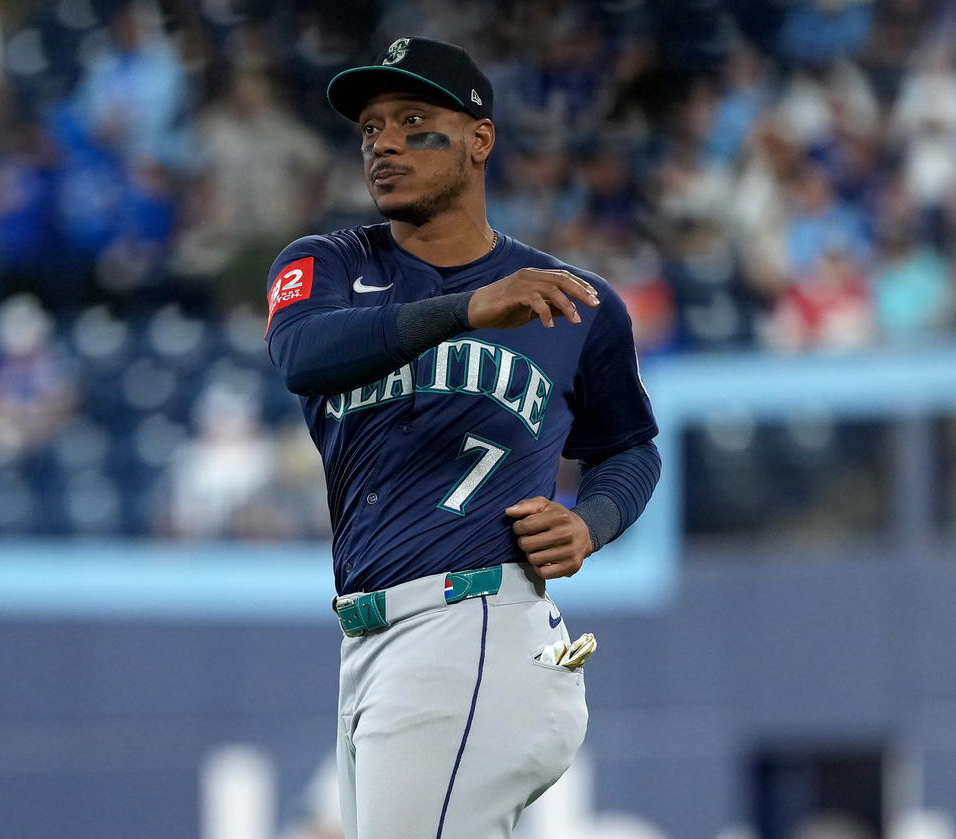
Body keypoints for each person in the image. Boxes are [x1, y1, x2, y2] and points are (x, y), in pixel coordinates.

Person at [263, 37, 662, 838]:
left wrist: (592, 521)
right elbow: (302, 357)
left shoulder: (572, 304)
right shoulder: (328, 264)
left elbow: (630, 446)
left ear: (479, 139)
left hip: (474, 624)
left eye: (414, 120)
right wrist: (467, 309)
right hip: (372, 641)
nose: (385, 142)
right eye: (371, 127)